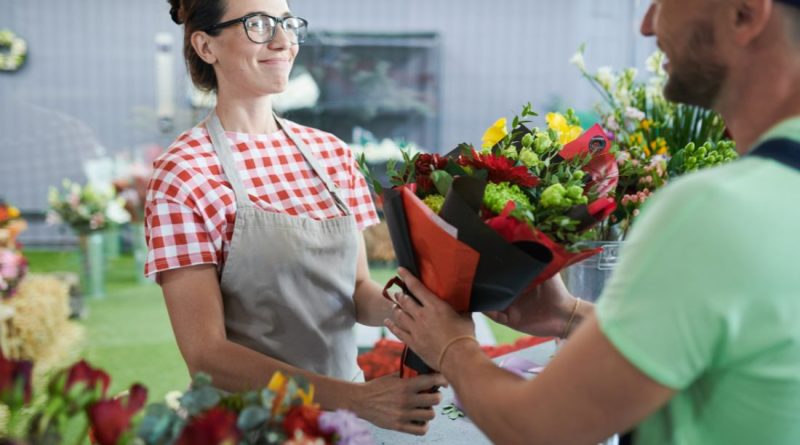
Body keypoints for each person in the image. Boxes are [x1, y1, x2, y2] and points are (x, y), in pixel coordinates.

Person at [386, 0, 800, 443]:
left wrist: (450, 346)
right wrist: (570, 316)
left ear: (744, 12)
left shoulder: (713, 209)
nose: (645, 24)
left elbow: (540, 426)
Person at [145, 0, 445, 435]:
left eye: (288, 24)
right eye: (259, 25)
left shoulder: (330, 154)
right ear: (205, 46)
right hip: (250, 426)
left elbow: (357, 290)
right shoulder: (184, 173)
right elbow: (207, 355)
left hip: (344, 420)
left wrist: (417, 308)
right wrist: (356, 399)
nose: (284, 41)